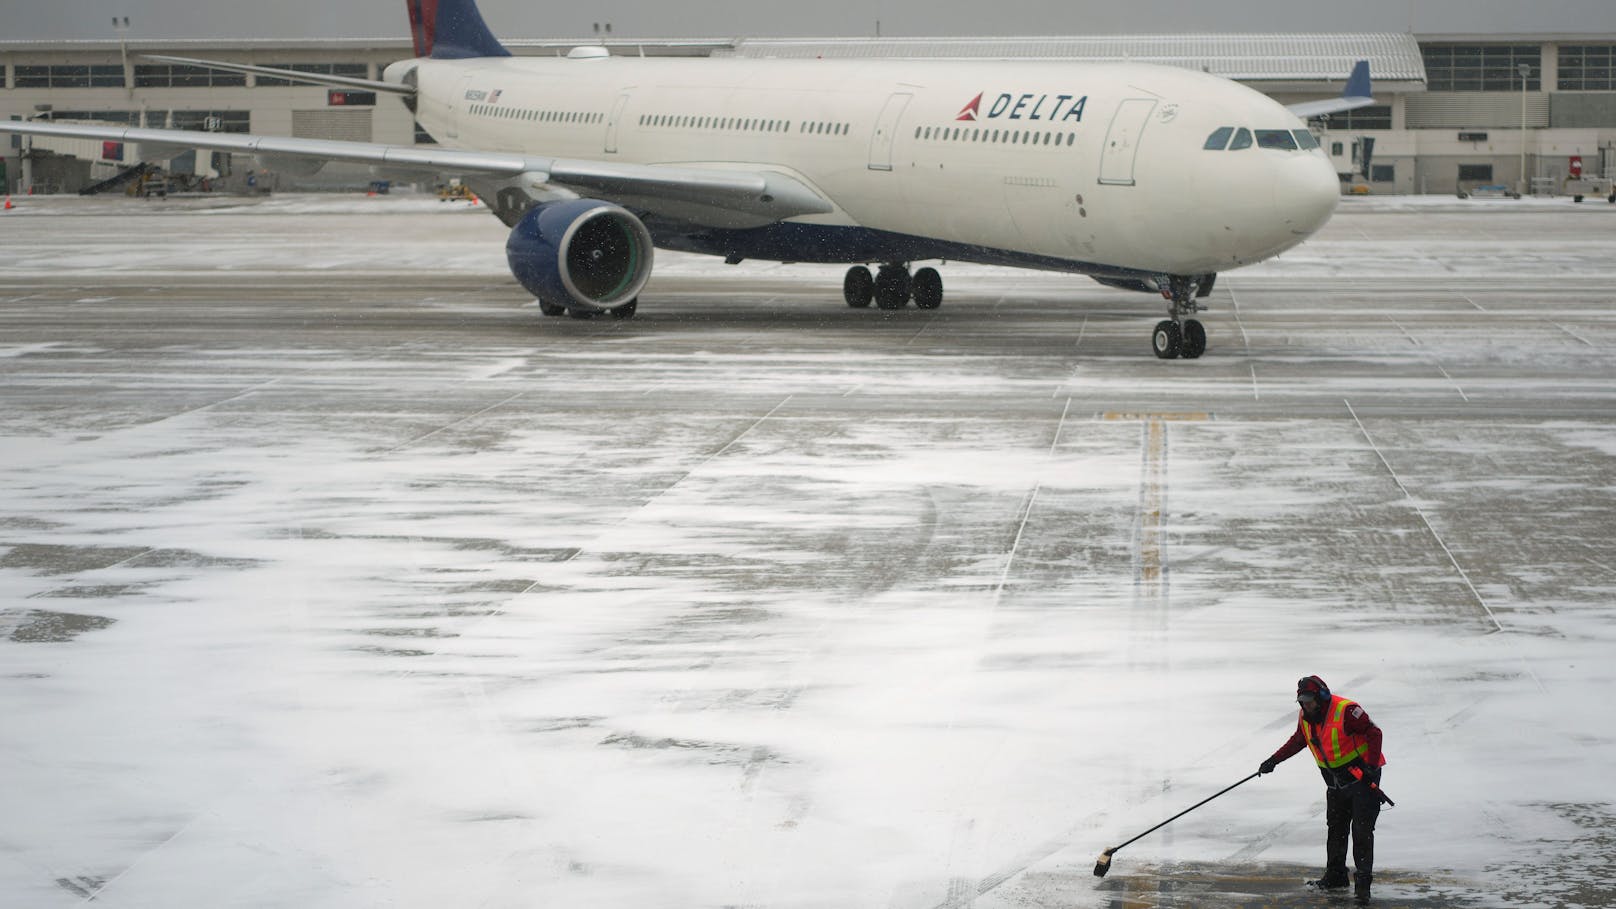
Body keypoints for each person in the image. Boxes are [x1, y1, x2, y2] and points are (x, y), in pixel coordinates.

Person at [1258, 675, 1386, 905]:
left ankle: (1363, 886)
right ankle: (1336, 876)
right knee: (1336, 829)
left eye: (1309, 701)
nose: (1306, 706)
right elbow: (1299, 739)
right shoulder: (1306, 716)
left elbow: (1374, 734)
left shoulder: (1347, 711)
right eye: (1302, 702)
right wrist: (1273, 761)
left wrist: (1371, 766)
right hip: (1335, 783)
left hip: (1362, 781)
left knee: (1361, 831)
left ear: (1322, 697)